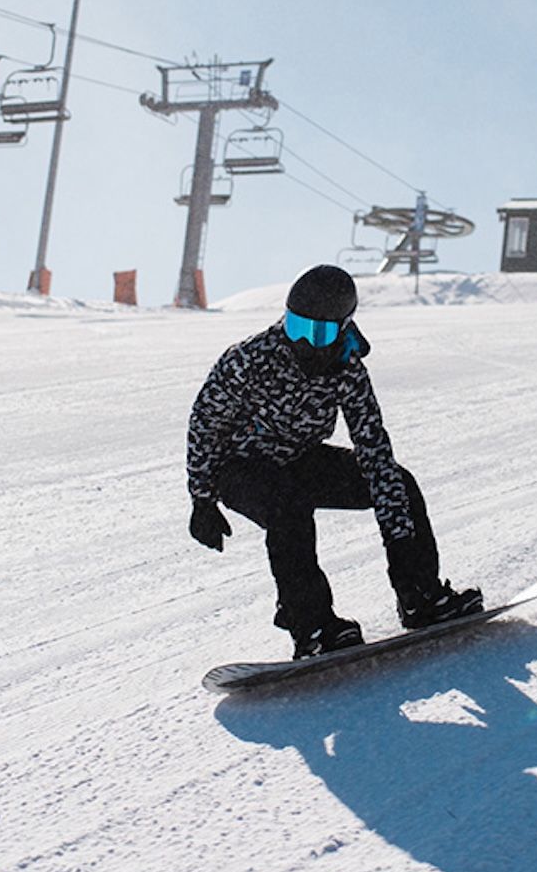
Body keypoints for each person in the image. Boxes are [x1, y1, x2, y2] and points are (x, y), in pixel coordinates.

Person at [187, 264, 482, 658]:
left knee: (397, 483)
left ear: (343, 328)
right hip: (241, 466)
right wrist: (202, 499)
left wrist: (399, 540)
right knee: (286, 507)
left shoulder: (347, 370)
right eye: (296, 327)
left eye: (320, 332)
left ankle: (420, 597)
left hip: (301, 459)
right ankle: (310, 625)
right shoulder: (249, 359)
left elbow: (374, 451)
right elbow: (205, 424)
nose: (304, 344)